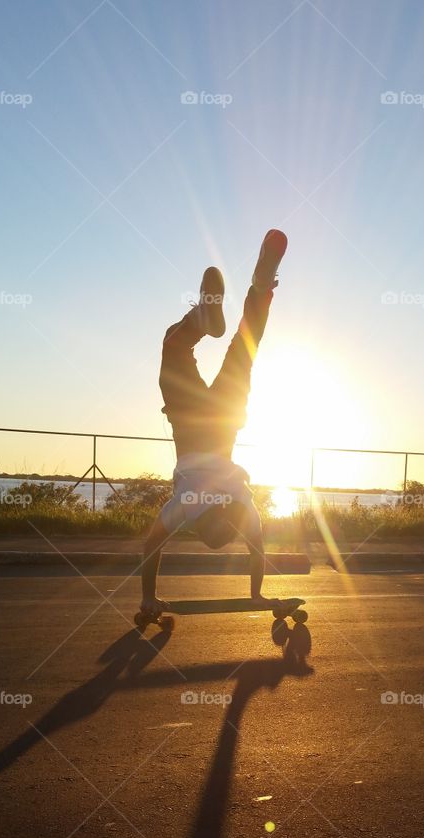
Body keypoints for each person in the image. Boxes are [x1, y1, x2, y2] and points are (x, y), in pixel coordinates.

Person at [139, 229, 288, 615]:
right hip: (191, 423)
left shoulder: (243, 506)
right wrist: (147, 597)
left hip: (223, 421)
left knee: (244, 347)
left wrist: (258, 592)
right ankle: (197, 321)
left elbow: (258, 546)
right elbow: (151, 544)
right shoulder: (186, 505)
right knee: (173, 349)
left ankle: (261, 288)